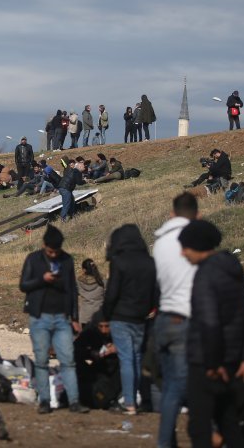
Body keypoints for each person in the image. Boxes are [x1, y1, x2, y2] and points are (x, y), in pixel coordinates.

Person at [179, 220, 244, 448]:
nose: (182, 253)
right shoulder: (231, 268)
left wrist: (212, 362)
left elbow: (208, 322)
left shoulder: (205, 275)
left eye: (185, 247)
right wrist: (243, 357)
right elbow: (243, 316)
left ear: (197, 246)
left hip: (207, 362)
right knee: (228, 421)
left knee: (199, 426)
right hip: (231, 359)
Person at [19, 225, 89, 414]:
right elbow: (23, 285)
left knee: (68, 360)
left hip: (61, 319)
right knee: (42, 361)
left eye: (56, 251)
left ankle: (74, 401)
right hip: (39, 317)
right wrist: (42, 279)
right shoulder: (33, 260)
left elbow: (72, 290)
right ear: (44, 245)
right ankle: (44, 401)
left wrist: (75, 317)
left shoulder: (66, 260)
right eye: (50, 251)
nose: (53, 254)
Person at [153, 192, 198, 448]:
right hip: (188, 315)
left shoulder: (160, 242)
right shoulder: (195, 240)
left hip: (165, 315)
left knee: (170, 384)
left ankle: (165, 440)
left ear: (172, 212)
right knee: (190, 384)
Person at [102, 224, 157, 416]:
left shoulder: (118, 261)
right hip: (140, 318)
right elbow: (155, 292)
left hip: (120, 316)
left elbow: (112, 293)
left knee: (126, 359)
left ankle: (129, 402)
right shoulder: (150, 262)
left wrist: (105, 315)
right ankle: (141, 399)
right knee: (137, 358)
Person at [74, 314, 121, 410]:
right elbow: (76, 349)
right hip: (95, 369)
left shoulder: (119, 331)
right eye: (101, 327)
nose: (104, 330)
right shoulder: (90, 332)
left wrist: (117, 348)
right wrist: (91, 353)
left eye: (107, 326)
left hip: (114, 370)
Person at [77, 259, 105, 328]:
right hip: (99, 314)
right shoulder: (102, 281)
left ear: (84, 270)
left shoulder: (79, 282)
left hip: (85, 315)